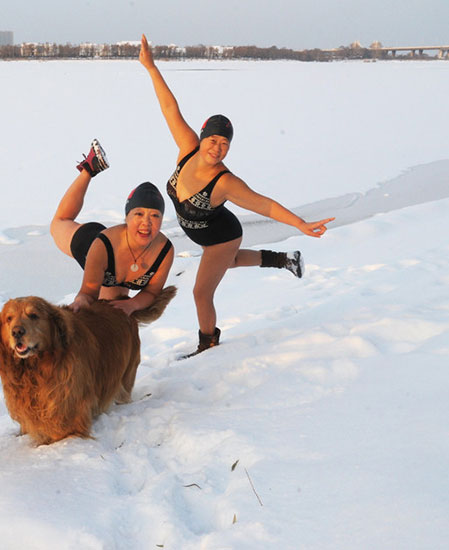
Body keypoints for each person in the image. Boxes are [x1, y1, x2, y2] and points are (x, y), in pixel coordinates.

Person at [138, 35, 336, 357]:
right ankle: (286, 259)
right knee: (227, 265)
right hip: (205, 233)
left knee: (202, 292)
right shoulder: (187, 148)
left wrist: (300, 224)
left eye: (224, 144)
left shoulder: (226, 182)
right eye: (213, 139)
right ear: (202, 138)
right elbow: (169, 107)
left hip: (221, 237)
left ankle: (208, 344)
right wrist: (151, 67)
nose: (217, 148)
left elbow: (265, 204)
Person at [50, 139, 174, 316]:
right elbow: (88, 293)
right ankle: (89, 169)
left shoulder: (165, 250)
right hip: (90, 243)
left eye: (155, 216)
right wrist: (80, 301)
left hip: (115, 278)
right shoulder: (101, 246)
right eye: (138, 214)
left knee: (111, 315)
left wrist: (132, 304)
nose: (146, 223)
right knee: (59, 222)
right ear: (126, 217)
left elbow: (151, 292)